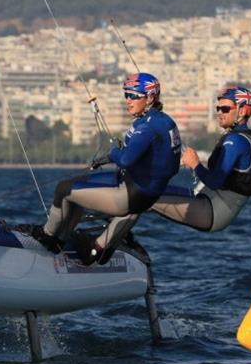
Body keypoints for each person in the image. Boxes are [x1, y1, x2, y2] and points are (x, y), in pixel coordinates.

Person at [33, 72, 181, 264]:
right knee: (78, 189)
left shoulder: (146, 127)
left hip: (129, 195)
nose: (128, 100)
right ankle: (65, 241)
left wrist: (113, 154)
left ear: (150, 98)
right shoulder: (166, 122)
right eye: (126, 95)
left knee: (64, 189)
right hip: (143, 193)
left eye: (134, 96)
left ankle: (47, 236)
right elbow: (170, 166)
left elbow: (126, 160)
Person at [150, 85, 251, 232]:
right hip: (206, 199)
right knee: (148, 189)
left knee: (144, 197)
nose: (219, 113)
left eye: (225, 109)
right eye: (218, 109)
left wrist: (195, 164)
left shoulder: (236, 141)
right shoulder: (242, 138)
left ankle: (116, 243)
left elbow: (214, 182)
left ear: (242, 111)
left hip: (212, 211)